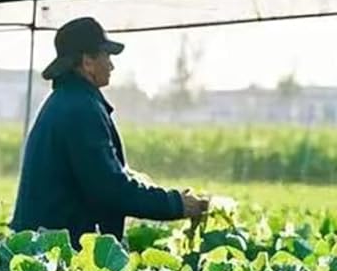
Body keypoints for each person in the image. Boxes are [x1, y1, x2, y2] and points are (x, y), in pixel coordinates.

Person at [12, 17, 208, 241]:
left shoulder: (66, 100)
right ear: (88, 62)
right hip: (59, 246)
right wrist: (176, 205)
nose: (111, 65)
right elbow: (110, 189)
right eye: (107, 56)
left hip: (43, 240)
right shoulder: (81, 109)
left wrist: (142, 184)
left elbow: (96, 174)